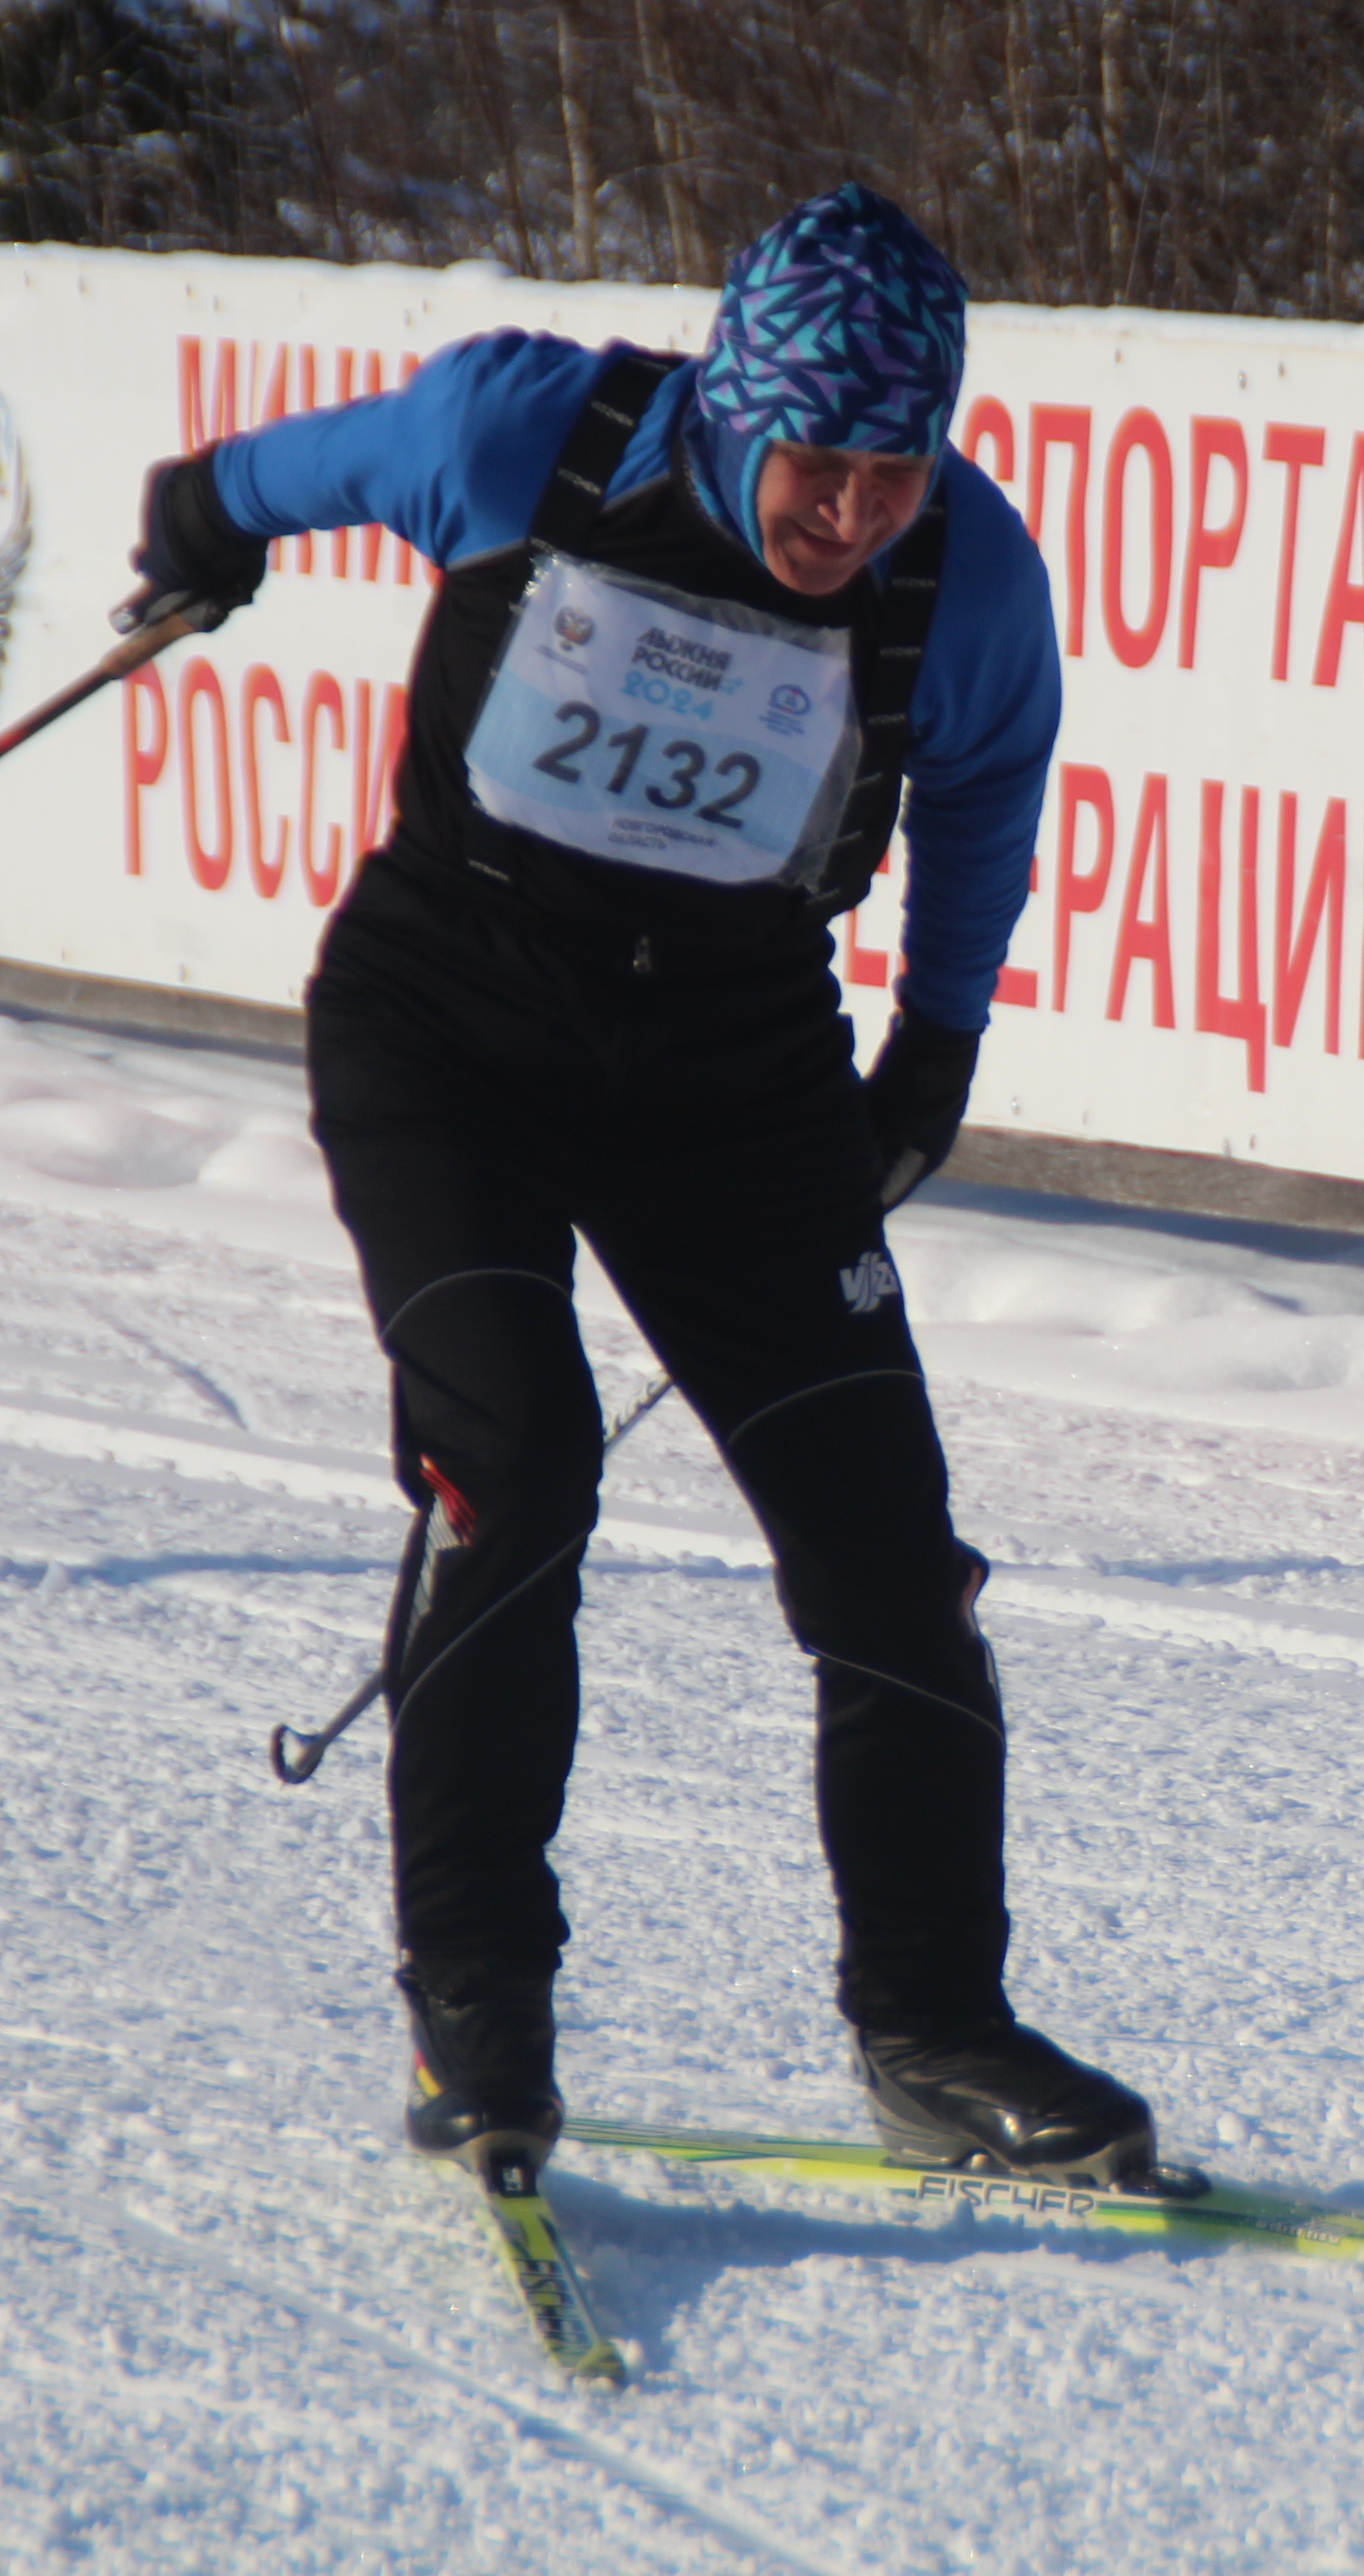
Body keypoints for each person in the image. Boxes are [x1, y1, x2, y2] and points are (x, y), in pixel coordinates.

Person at [123, 185, 1164, 2189]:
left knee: (890, 1558)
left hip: (735, 1073)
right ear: (734, 404)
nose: (856, 509)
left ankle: (937, 2030)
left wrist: (933, 1045)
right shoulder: (529, 439)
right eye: (822, 460)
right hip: (451, 1035)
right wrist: (203, 526)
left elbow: (989, 778)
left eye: (899, 463)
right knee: (518, 1469)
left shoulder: (965, 574)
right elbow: (282, 468)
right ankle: (482, 2017)